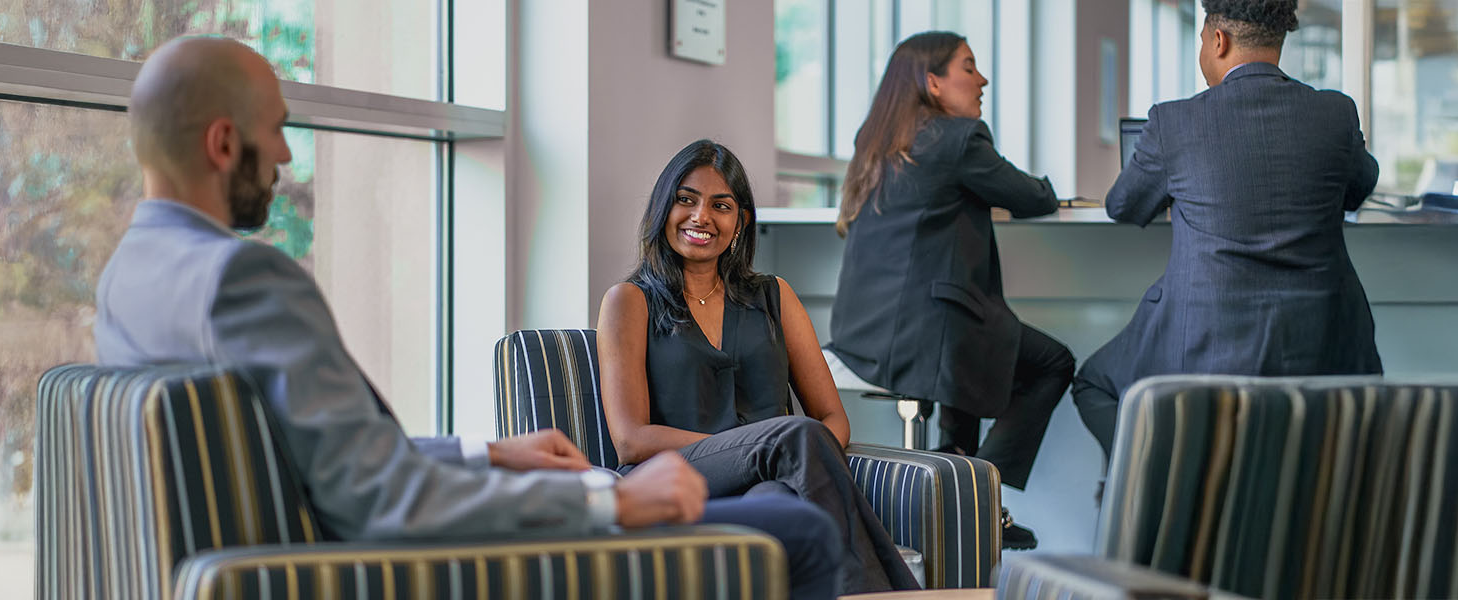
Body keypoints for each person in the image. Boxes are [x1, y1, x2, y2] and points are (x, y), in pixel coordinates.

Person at [94, 37, 842, 600]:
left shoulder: (128, 278)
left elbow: (325, 458)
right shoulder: (243, 279)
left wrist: (484, 453)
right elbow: (386, 499)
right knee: (801, 533)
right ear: (225, 143)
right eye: (277, 129)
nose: (287, 154)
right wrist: (607, 498)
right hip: (378, 564)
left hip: (296, 551)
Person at [596, 140, 920, 594]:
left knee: (781, 506)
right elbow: (631, 440)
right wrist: (754, 450)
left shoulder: (774, 296)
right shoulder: (629, 302)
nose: (700, 217)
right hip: (675, 478)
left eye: (721, 205)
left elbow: (833, 419)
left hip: (774, 478)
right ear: (662, 207)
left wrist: (771, 460)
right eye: (685, 199)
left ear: (741, 221)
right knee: (793, 435)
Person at [1071, 0, 1383, 452]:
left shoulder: (1173, 121)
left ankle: (1155, 483)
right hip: (1324, 342)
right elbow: (1359, 188)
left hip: (1205, 342)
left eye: (1200, 39)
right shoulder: (1336, 114)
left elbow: (1123, 205)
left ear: (1218, 40)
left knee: (1094, 384)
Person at [824, 31, 1076, 550]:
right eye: (969, 66)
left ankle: (957, 498)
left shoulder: (877, 140)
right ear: (933, 82)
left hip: (860, 330)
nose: (981, 79)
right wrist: (1055, 191)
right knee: (1050, 361)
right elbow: (1029, 196)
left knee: (974, 333)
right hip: (919, 335)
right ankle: (979, 499)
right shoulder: (957, 138)